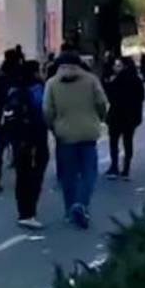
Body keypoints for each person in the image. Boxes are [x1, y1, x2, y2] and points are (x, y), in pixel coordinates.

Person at [43, 52, 109, 229]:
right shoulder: (91, 80)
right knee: (89, 172)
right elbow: (102, 103)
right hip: (88, 132)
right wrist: (100, 118)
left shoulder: (52, 83)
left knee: (68, 175)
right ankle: (81, 203)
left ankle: (69, 209)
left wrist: (53, 127)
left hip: (64, 135)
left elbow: (47, 111)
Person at [3, 60, 50, 229]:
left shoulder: (14, 89)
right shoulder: (38, 89)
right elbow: (45, 111)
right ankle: (29, 212)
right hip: (35, 135)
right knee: (35, 172)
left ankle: (24, 211)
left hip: (17, 137)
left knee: (22, 174)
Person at [103, 56, 145, 180]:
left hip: (117, 115)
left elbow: (110, 96)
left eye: (118, 65)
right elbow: (141, 97)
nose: (115, 67)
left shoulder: (117, 80)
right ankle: (126, 169)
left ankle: (114, 166)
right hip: (131, 116)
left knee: (114, 141)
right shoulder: (137, 80)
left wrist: (108, 83)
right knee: (128, 141)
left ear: (124, 66)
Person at [0, 49, 23, 193]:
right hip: (18, 116)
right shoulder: (20, 76)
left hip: (0, 116)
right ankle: (22, 179)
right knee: (19, 147)